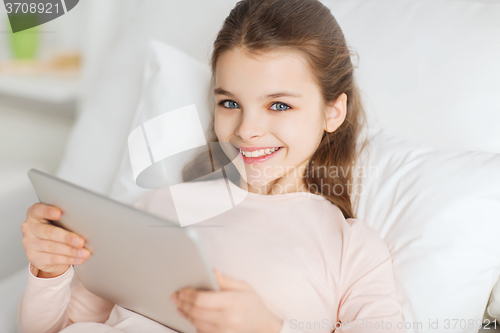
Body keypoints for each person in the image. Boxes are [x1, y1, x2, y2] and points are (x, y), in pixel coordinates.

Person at [18, 0, 406, 332]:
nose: (247, 130)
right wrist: (49, 272)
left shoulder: (350, 248)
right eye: (230, 103)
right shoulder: (160, 206)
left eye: (280, 105)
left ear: (333, 112)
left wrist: (268, 328)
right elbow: (64, 325)